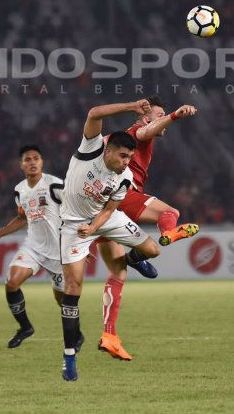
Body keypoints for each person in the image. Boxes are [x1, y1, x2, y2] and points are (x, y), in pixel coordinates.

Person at [59, 99, 162, 381]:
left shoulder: (124, 176)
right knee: (73, 287)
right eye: (122, 157)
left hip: (102, 220)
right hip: (72, 225)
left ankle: (130, 260)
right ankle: (69, 358)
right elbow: (93, 113)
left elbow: (109, 211)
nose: (126, 163)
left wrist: (95, 228)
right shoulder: (89, 150)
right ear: (108, 151)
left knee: (153, 249)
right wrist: (130, 107)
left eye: (130, 157)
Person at [97, 96, 199, 361]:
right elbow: (147, 130)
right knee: (170, 213)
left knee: (117, 272)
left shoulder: (112, 141)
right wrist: (175, 115)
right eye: (160, 113)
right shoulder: (137, 134)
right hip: (122, 197)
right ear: (145, 117)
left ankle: (109, 335)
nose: (163, 118)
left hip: (100, 209)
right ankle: (167, 233)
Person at [0, 145, 83, 350]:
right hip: (34, 248)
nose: (32, 162)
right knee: (12, 282)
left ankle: (76, 333)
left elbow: (75, 209)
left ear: (42, 162)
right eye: (27, 160)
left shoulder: (54, 185)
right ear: (21, 165)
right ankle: (25, 327)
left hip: (59, 252)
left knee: (63, 300)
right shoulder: (20, 190)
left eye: (36, 158)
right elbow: (22, 218)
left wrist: (80, 243)